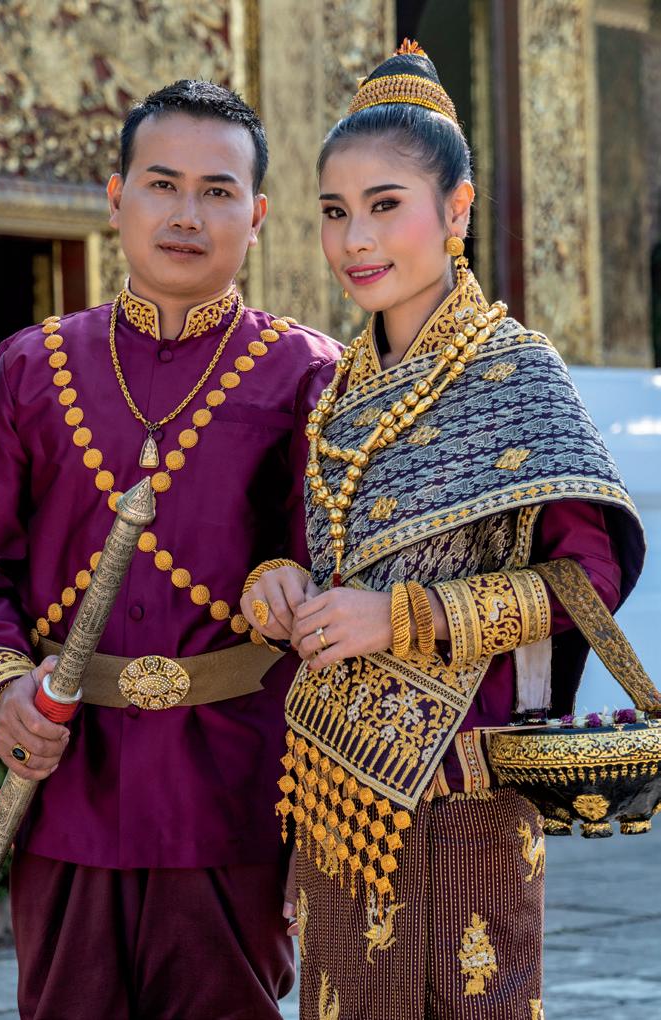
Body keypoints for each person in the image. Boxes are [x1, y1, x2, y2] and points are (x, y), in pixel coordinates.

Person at [241, 42, 645, 1019]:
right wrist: (277, 586)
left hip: (465, 794)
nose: (354, 239)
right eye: (334, 211)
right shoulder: (335, 395)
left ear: (456, 210)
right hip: (334, 795)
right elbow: (306, 548)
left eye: (385, 205)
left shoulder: (515, 372)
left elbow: (585, 581)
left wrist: (402, 617)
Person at [0, 80, 341, 1019]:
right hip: (65, 785)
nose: (186, 215)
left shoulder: (308, 375)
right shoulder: (30, 366)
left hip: (237, 792)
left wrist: (321, 813)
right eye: (161, 184)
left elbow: (342, 586)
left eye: (217, 191)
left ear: (257, 216)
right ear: (116, 199)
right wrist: (3, 691)